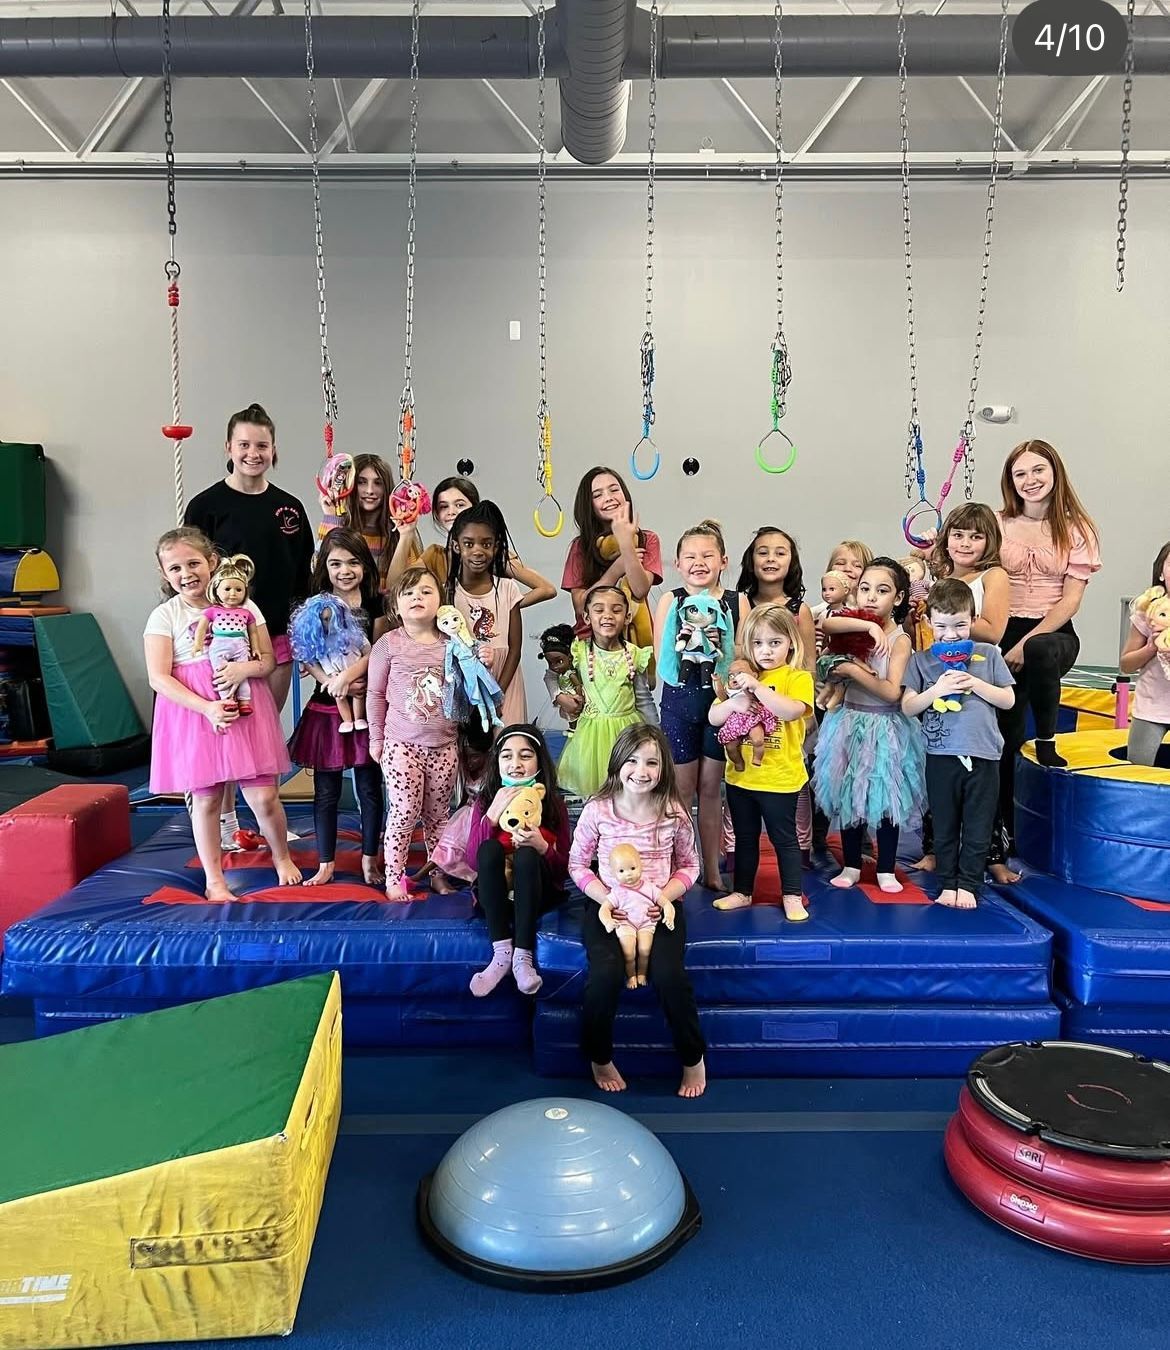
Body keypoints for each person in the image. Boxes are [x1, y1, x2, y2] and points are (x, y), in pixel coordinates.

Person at [144, 527, 300, 902]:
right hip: (196, 713)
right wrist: (207, 707)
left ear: (212, 562)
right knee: (208, 799)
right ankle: (215, 879)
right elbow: (158, 676)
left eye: (194, 563)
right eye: (176, 568)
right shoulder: (165, 615)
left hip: (245, 706)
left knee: (263, 797)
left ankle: (282, 857)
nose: (187, 574)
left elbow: (266, 660)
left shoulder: (245, 607)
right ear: (165, 574)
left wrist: (242, 670)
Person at [569, 724, 706, 1099]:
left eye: (651, 762)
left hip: (657, 908)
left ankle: (693, 1058)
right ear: (617, 764)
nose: (640, 771)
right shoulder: (598, 809)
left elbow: (689, 866)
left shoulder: (673, 811)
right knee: (605, 975)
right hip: (609, 907)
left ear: (663, 769)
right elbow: (578, 865)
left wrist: (663, 898)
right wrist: (605, 899)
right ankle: (599, 1056)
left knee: (669, 976)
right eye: (632, 761)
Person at [991, 440, 1101, 883]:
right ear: (1011, 481)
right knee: (1006, 732)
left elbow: (1069, 602)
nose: (1030, 481)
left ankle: (1050, 737)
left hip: (1052, 635)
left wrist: (1024, 643)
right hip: (1003, 628)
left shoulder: (1076, 529)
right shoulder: (998, 524)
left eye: (1038, 470)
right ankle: (1006, 833)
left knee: (1036, 651)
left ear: (1055, 472)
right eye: (1020, 474)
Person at [183, 403, 313, 713]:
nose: (252, 453)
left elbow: (304, 575)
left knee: (264, 725)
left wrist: (306, 635)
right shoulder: (205, 506)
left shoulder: (289, 507)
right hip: (223, 638)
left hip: (276, 636)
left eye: (261, 446)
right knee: (228, 727)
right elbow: (188, 575)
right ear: (228, 448)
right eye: (244, 445)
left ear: (273, 450)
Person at [902, 578, 1015, 909]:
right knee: (944, 824)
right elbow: (909, 707)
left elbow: (1007, 699)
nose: (950, 635)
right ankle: (947, 882)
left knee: (979, 825)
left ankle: (968, 884)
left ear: (973, 620)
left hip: (984, 755)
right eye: (942, 626)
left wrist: (975, 683)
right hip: (940, 755)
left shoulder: (988, 654)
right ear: (928, 622)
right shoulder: (921, 661)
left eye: (960, 625)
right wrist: (936, 690)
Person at [814, 557, 925, 893]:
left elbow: (892, 691)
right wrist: (866, 626)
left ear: (899, 598)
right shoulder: (850, 621)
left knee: (884, 795)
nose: (871, 597)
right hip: (847, 721)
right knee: (849, 794)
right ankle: (850, 864)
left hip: (884, 726)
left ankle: (886, 868)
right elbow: (826, 623)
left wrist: (851, 671)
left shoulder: (900, 640)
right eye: (865, 589)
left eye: (882, 590)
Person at [912, 502, 1010, 872]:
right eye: (958, 534)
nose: (966, 543)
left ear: (989, 541)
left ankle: (992, 855)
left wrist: (949, 619)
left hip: (978, 679)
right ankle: (935, 847)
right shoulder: (939, 575)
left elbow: (994, 628)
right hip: (938, 678)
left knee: (981, 772)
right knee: (938, 767)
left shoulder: (992, 576)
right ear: (946, 538)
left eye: (976, 536)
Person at [653, 520, 749, 891]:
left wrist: (718, 649)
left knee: (712, 789)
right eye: (690, 556)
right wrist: (687, 642)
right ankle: (678, 867)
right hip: (679, 704)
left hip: (719, 703)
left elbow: (742, 653)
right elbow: (664, 661)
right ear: (677, 564)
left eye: (708, 555)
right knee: (680, 791)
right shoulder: (671, 600)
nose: (699, 562)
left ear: (723, 560)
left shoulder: (735, 601)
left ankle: (711, 867)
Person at [286, 529, 384, 887]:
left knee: (370, 788)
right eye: (336, 563)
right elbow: (305, 652)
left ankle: (370, 859)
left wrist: (353, 676)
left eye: (353, 562)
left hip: (365, 702)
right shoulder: (315, 604)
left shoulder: (375, 603)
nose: (345, 570)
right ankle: (326, 862)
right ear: (323, 567)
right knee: (325, 790)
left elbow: (380, 649)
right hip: (327, 707)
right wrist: (331, 682)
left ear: (365, 565)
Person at [708, 603, 814, 920]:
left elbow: (792, 711)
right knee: (745, 836)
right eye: (758, 643)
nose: (765, 651)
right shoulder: (741, 677)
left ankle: (792, 894)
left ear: (791, 643)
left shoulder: (796, 677)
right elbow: (715, 717)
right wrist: (735, 702)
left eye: (774, 643)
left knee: (784, 839)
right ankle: (742, 891)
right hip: (742, 779)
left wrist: (757, 688)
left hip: (780, 779)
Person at [366, 566, 457, 901]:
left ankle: (438, 873)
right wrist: (376, 738)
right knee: (404, 812)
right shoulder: (389, 644)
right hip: (401, 744)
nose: (418, 597)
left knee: (438, 816)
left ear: (441, 601)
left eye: (426, 591)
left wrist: (483, 658)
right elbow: (374, 694)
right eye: (409, 593)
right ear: (396, 606)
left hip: (444, 744)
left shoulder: (452, 644)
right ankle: (395, 876)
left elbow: (469, 686)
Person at [464, 724, 570, 997]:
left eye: (525, 755)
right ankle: (501, 954)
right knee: (489, 848)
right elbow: (473, 862)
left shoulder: (552, 803)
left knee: (525, 854)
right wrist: (492, 815)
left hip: (536, 893)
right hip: (496, 897)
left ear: (539, 760)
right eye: (507, 756)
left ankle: (522, 957)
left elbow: (564, 869)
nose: (516, 764)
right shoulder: (486, 799)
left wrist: (544, 847)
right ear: (497, 762)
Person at [445, 500, 555, 725]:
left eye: (486, 544)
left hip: (506, 679)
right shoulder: (448, 592)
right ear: (457, 546)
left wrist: (498, 693)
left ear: (495, 547)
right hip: (467, 684)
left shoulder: (507, 588)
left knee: (507, 743)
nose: (477, 551)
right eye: (469, 544)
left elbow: (515, 648)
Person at [562, 467, 661, 716]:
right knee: (596, 716)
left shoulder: (647, 539)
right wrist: (616, 570)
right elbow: (580, 605)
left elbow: (639, 588)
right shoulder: (579, 547)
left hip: (631, 646)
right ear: (588, 504)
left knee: (643, 716)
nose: (608, 497)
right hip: (592, 647)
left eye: (614, 489)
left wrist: (626, 544)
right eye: (598, 494)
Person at [554, 585, 654, 799]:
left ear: (627, 617)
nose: (607, 615)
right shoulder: (578, 651)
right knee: (594, 797)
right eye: (599, 610)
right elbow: (552, 676)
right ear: (587, 617)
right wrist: (560, 696)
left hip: (627, 735)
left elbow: (644, 700)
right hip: (590, 740)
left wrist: (655, 735)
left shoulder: (635, 655)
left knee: (627, 794)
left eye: (616, 610)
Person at [1120, 541, 1170, 767]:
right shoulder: (1146, 614)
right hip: (1152, 707)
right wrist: (1151, 646)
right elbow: (1126, 665)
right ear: (1161, 572)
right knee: (1138, 770)